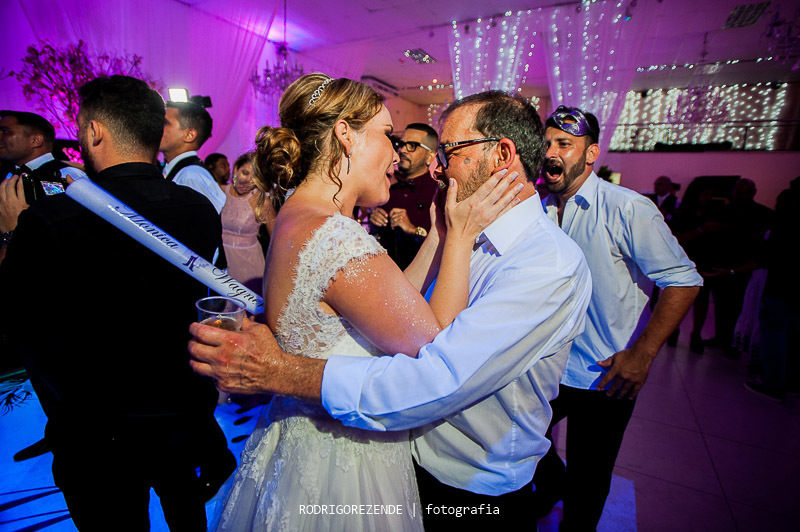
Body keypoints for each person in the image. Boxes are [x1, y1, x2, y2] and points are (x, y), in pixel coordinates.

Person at [189, 90, 593, 526]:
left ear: (501, 155)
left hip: (470, 489)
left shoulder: (547, 265)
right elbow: (408, 318)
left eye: (448, 152)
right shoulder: (452, 228)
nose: (428, 165)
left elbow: (438, 373)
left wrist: (284, 369)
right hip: (386, 455)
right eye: (391, 137)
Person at [0, 75, 235, 530]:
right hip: (181, 417)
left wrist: (11, 232)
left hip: (96, 431)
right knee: (187, 519)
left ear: (93, 133)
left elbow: (18, 322)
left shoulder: (51, 218)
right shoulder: (197, 208)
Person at [533, 105, 702, 530]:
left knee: (590, 477)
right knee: (524, 444)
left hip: (605, 372)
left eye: (564, 145)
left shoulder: (628, 208)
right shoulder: (537, 206)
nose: (551, 153)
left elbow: (683, 281)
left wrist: (642, 355)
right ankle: (553, 485)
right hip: (543, 366)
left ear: (591, 154)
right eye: (547, 143)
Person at [368, 123, 439, 268]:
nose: (402, 150)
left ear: (430, 156)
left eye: (412, 145)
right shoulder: (388, 190)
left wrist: (413, 230)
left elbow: (446, 246)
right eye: (401, 144)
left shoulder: (439, 194)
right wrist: (374, 223)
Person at [219, 151, 275, 293]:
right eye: (245, 172)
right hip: (221, 263)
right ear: (236, 168)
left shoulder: (260, 200)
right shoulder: (218, 191)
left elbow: (276, 238)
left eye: (254, 178)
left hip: (248, 266)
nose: (247, 180)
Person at [160, 101, 226, 213]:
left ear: (189, 135)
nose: (157, 126)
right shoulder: (185, 172)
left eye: (165, 122)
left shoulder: (191, 176)